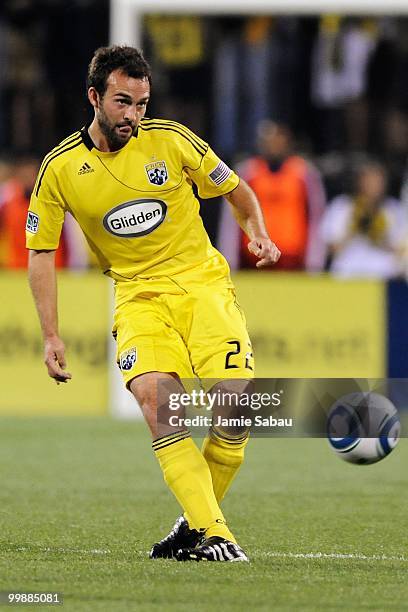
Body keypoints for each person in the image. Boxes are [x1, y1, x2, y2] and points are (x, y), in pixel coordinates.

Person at [26, 46, 280, 563]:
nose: (133, 115)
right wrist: (51, 334)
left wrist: (258, 232)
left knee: (235, 405)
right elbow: (41, 253)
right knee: (159, 404)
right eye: (122, 102)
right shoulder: (60, 169)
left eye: (142, 103)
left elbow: (236, 190)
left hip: (202, 285)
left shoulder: (171, 140)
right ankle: (217, 533)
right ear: (94, 97)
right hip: (138, 297)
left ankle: (194, 527)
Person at [218, 120, 326, 272]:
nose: (274, 145)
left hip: (293, 257)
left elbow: (316, 216)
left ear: (288, 141)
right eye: (270, 140)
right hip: (253, 257)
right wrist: (229, 258)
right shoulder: (247, 172)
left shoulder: (304, 172)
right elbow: (231, 217)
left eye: (279, 139)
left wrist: (315, 261)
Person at [320, 160, 407, 278]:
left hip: (385, 276)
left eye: (379, 181)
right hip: (347, 275)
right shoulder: (342, 206)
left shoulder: (394, 209)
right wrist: (354, 228)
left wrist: (377, 234)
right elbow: (331, 249)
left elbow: (402, 252)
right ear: (360, 181)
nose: (375, 186)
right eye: (370, 181)